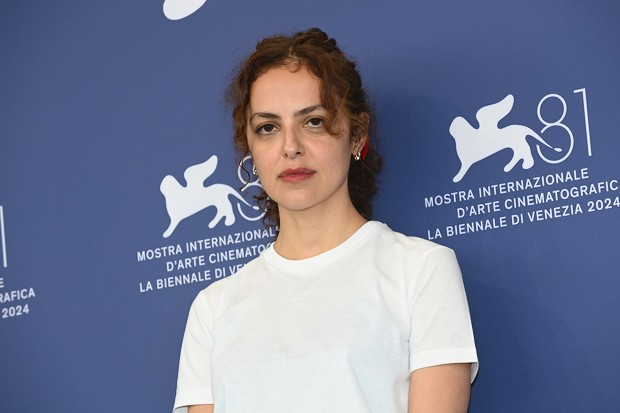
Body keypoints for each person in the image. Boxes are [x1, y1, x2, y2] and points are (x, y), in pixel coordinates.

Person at [173, 27, 478, 413]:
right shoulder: (212, 309)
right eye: (268, 128)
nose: (291, 147)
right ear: (249, 148)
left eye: (313, 121)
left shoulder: (420, 270)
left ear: (357, 135)